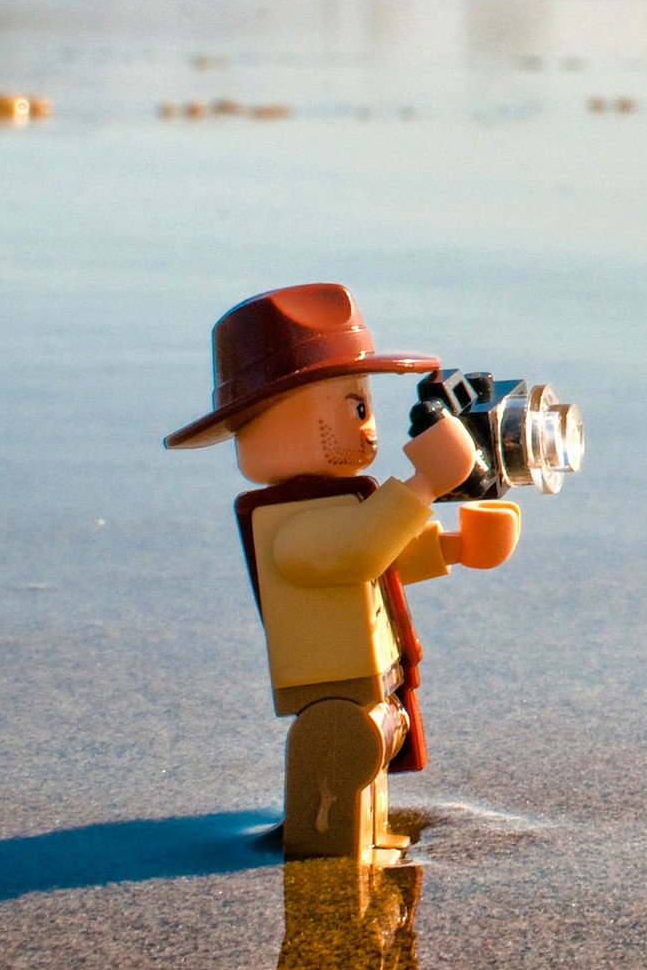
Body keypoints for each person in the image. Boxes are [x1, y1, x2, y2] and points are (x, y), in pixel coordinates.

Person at [165, 284, 522, 865]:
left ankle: (370, 840)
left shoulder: (346, 511)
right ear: (276, 418)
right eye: (353, 408)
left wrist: (457, 546)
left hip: (371, 683)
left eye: (367, 407)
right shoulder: (287, 526)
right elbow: (355, 551)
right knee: (339, 759)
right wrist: (423, 485)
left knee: (368, 763)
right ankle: (328, 852)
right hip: (330, 688)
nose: (369, 427)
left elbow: (381, 557)